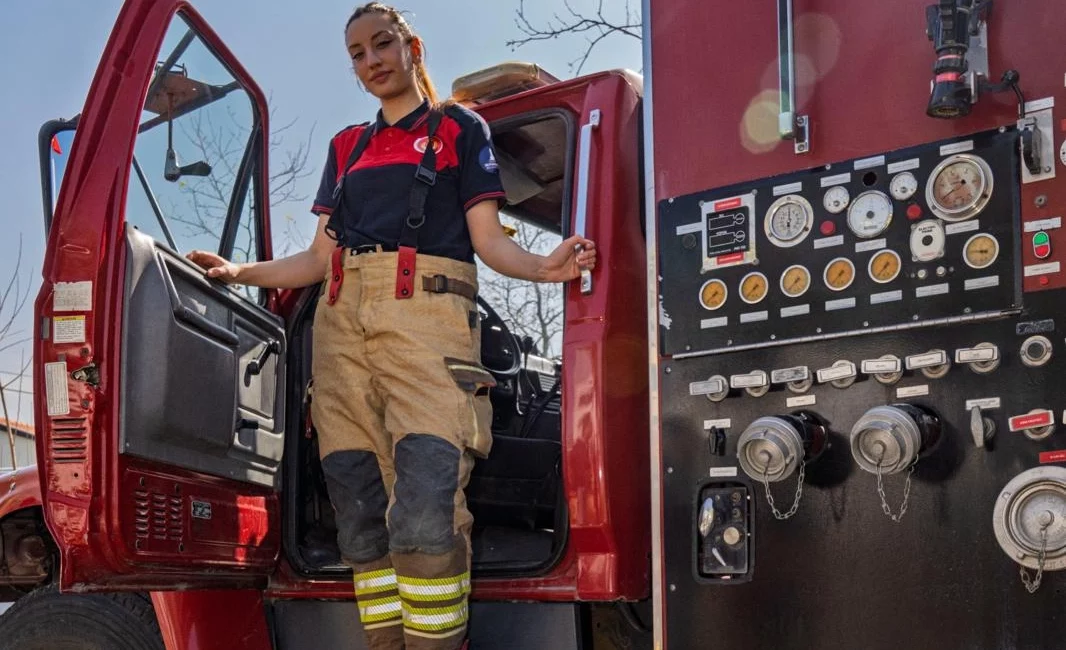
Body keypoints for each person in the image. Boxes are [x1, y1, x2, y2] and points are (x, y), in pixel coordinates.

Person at [186, 3, 597, 649]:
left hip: (426, 326)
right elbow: (318, 260)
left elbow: (487, 240)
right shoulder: (346, 147)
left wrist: (547, 268)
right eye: (358, 53)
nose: (372, 60)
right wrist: (238, 273)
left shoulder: (458, 128)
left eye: (383, 44)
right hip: (341, 329)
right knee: (357, 516)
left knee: (427, 513)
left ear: (413, 47)